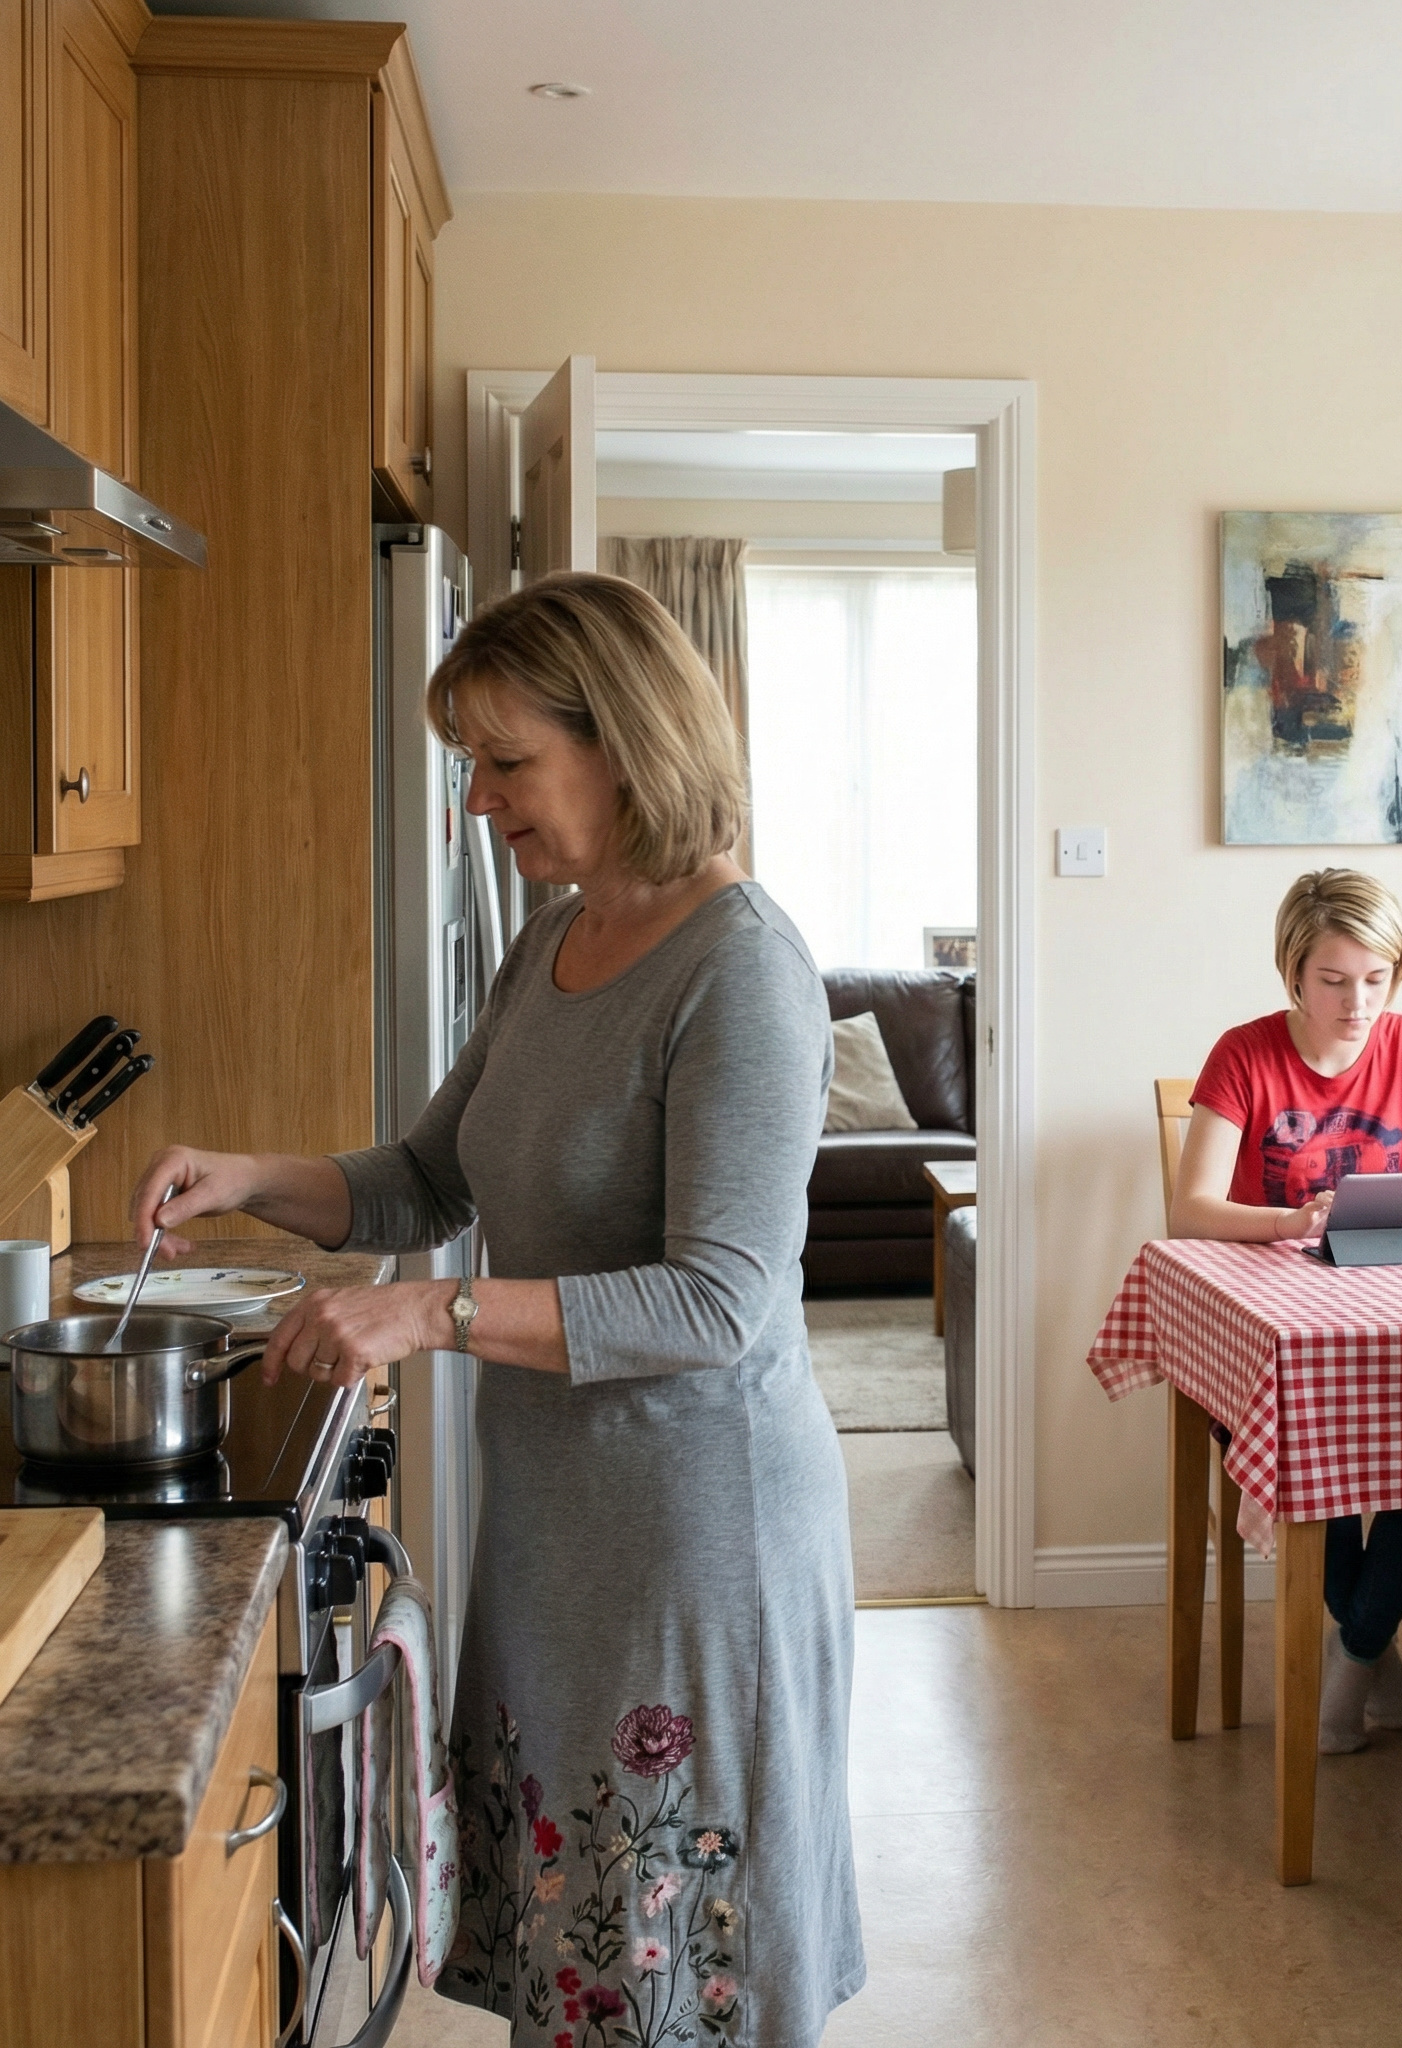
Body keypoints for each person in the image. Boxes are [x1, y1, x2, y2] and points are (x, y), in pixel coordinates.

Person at [127, 573, 863, 2047]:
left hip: (693, 1543)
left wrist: (432, 1321)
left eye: (505, 761)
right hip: (558, 1530)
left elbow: (717, 1302)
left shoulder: (742, 970)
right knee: (584, 1971)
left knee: (680, 1982)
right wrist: (248, 1176)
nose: (478, 801)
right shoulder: (557, 941)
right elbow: (423, 1181)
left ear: (626, 742)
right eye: (473, 762)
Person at [1170, 867, 1402, 1753]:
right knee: (1304, 1449)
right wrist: (1291, 1219)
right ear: (1291, 972)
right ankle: (1368, 1654)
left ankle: (1355, 1656)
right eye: (1334, 981)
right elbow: (1190, 1208)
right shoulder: (1244, 1054)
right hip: (1263, 1325)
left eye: (1377, 979)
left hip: (1386, 1317)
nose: (1358, 1004)